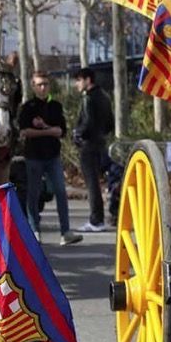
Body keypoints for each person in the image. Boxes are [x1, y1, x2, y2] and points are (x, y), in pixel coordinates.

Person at [18, 72, 82, 246]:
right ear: (33, 86)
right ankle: (34, 230)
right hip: (34, 156)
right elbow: (25, 132)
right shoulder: (28, 107)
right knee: (33, 194)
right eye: (39, 84)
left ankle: (65, 231)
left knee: (61, 192)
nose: (43, 87)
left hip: (53, 156)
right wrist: (48, 131)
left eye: (45, 84)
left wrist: (44, 127)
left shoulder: (55, 106)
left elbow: (61, 131)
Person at [72, 68, 115, 232]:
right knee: (96, 182)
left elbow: (87, 121)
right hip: (101, 143)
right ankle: (99, 218)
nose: (77, 84)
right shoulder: (104, 96)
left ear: (88, 80)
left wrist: (78, 133)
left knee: (92, 184)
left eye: (78, 80)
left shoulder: (88, 98)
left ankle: (96, 220)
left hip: (89, 144)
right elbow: (110, 123)